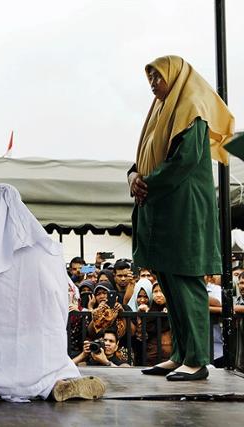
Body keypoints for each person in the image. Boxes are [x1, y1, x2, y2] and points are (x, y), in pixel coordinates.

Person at [0, 184, 105, 402]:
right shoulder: (46, 253)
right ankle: (54, 384)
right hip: (38, 352)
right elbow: (60, 302)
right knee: (51, 371)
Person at [129, 56, 234, 381]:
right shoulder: (162, 112)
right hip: (163, 209)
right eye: (150, 80)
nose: (153, 86)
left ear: (175, 78)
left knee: (187, 283)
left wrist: (147, 183)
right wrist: (133, 176)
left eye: (157, 79)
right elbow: (142, 159)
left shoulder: (192, 111)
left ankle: (197, 359)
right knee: (170, 284)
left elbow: (182, 162)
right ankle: (180, 355)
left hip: (183, 211)